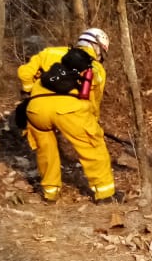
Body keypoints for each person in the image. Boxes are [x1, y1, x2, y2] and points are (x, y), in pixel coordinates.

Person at [17, 28, 118, 204]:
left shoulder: (50, 52)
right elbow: (93, 100)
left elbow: (24, 73)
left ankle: (50, 193)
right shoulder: (96, 68)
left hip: (36, 111)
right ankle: (105, 195)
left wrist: (28, 90)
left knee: (45, 151)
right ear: (98, 47)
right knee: (93, 147)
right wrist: (93, 121)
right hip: (71, 110)